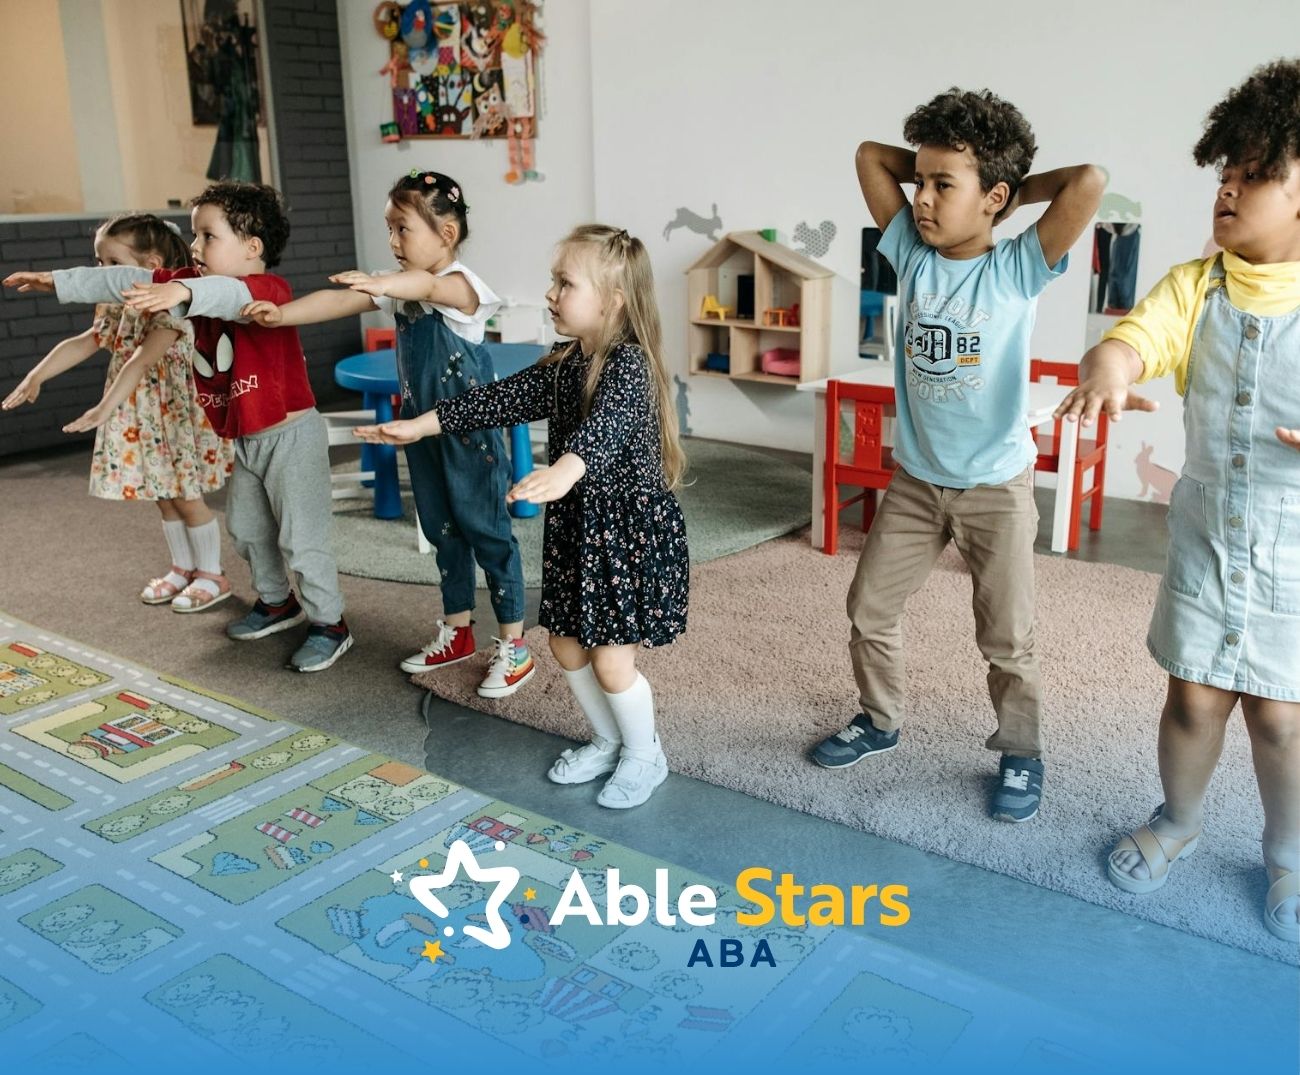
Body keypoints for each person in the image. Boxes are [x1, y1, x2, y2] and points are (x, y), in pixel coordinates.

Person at [811, 87, 1104, 823]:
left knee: (1006, 634)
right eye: (921, 183)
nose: (924, 199)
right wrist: (944, 172)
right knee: (867, 605)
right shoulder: (910, 249)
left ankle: (1021, 750)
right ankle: (879, 721)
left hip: (995, 489)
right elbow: (867, 156)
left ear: (994, 198)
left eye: (945, 186)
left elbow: (1088, 181)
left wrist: (1007, 195)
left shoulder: (1016, 268)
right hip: (915, 483)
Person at [1058, 59, 1300, 942]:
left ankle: (1289, 852)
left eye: (1255, 173)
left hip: (1295, 554)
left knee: (1280, 715)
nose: (1228, 189)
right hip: (1206, 538)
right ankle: (1179, 819)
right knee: (1194, 697)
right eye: (1223, 173)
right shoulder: (1194, 289)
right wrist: (1108, 375)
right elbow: (1129, 341)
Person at [356, 225, 689, 809]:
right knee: (564, 644)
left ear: (611, 301)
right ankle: (607, 740)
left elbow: (605, 429)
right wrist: (418, 425)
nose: (551, 293)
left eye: (565, 283)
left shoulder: (629, 365)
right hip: (579, 530)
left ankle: (645, 754)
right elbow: (495, 399)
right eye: (553, 281)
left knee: (612, 662)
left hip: (625, 535)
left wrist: (562, 471)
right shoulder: (563, 362)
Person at [4, 182, 353, 672]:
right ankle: (278, 603)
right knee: (248, 531)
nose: (195, 247)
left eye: (208, 236)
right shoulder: (190, 286)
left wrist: (182, 288)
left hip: (290, 437)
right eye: (194, 236)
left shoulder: (264, 290)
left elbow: (227, 293)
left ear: (252, 248)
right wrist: (57, 281)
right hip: (247, 440)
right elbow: (126, 281)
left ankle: (330, 624)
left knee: (301, 537)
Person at [241, 170, 532, 698]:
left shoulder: (464, 286)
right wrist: (279, 315)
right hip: (419, 434)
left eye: (403, 229)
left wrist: (380, 283)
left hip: (470, 438)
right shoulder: (398, 289)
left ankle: (514, 643)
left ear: (446, 234)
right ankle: (458, 632)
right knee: (442, 532)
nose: (393, 242)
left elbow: (426, 286)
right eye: (389, 229)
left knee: (487, 533)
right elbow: (337, 302)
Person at [2, 213, 232, 612]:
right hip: (142, 414)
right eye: (98, 263)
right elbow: (88, 340)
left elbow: (142, 360)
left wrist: (105, 407)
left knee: (186, 495)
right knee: (161, 494)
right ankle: (182, 568)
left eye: (110, 263)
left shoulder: (174, 304)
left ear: (151, 267)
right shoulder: (115, 304)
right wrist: (37, 375)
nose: (100, 272)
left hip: (173, 415)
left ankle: (212, 574)